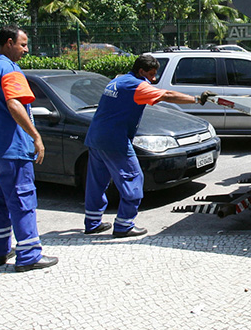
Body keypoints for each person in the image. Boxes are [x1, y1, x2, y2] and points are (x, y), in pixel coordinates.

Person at [83, 53, 211, 238]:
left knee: (97, 182)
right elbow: (167, 95)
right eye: (151, 74)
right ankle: (124, 225)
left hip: (95, 138)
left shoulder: (117, 81)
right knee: (133, 178)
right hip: (115, 140)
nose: (154, 79)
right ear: (141, 71)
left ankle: (92, 222)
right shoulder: (137, 85)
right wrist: (197, 100)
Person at [0, 26, 58, 272]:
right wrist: (35, 136)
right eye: (23, 44)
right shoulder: (10, 69)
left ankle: (1, 251)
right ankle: (29, 255)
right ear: (9, 42)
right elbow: (14, 104)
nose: (26, 49)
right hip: (11, 148)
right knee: (23, 199)